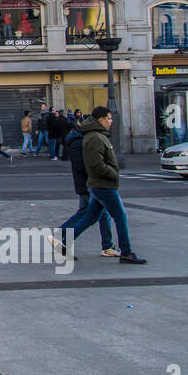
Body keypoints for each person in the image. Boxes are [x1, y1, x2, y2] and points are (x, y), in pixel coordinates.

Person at [54, 107, 146, 265]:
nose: (111, 121)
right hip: (103, 184)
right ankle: (126, 252)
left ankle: (63, 244)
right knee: (120, 216)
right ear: (101, 119)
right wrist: (112, 173)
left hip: (97, 184)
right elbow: (96, 164)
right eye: (109, 118)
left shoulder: (94, 135)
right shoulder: (95, 137)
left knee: (90, 217)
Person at [61, 116, 117, 257]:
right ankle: (60, 235)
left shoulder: (77, 139)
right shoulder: (81, 141)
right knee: (89, 213)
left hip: (87, 183)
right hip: (90, 184)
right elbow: (85, 166)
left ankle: (107, 246)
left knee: (100, 214)